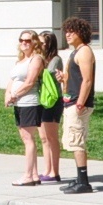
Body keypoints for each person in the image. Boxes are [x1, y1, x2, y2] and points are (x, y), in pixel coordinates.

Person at [59, 18, 97, 193]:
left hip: (78, 104)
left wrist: (81, 102)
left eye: (71, 31)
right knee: (72, 141)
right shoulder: (75, 52)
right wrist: (64, 78)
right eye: (67, 31)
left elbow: (87, 80)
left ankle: (84, 182)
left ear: (80, 33)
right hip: (71, 101)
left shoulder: (84, 52)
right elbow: (77, 79)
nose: (67, 34)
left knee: (77, 141)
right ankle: (79, 179)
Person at [5, 30, 44, 187]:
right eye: (22, 40)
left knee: (28, 139)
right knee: (26, 138)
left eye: (28, 40)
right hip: (19, 103)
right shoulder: (20, 61)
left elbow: (30, 82)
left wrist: (14, 94)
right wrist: (7, 94)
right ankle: (34, 174)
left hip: (29, 102)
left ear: (34, 42)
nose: (24, 43)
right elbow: (12, 80)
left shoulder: (36, 59)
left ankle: (28, 176)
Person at [38, 31, 64, 184]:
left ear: (49, 44)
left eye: (42, 42)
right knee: (43, 138)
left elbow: (49, 76)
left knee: (51, 137)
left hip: (53, 101)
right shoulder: (40, 59)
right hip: (42, 100)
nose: (40, 45)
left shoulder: (55, 60)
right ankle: (47, 169)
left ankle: (55, 172)